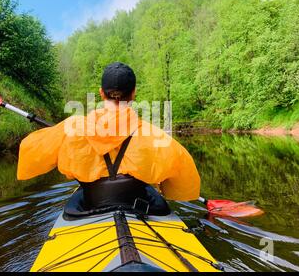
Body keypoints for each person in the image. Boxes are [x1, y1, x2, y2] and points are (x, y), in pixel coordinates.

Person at [17, 62, 200, 209]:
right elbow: (184, 186)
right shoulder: (155, 135)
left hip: (91, 204)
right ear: (134, 93)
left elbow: (29, 153)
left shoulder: (72, 127)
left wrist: (57, 135)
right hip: (139, 205)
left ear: (101, 93)